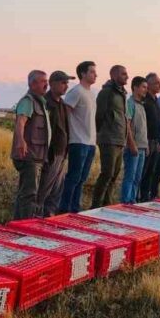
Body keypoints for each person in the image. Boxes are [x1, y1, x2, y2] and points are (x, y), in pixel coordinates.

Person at [59, 61, 98, 214]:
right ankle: (64, 208)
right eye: (92, 72)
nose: (95, 75)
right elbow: (65, 115)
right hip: (78, 141)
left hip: (90, 142)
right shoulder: (76, 92)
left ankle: (75, 209)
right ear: (83, 74)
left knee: (82, 178)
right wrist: (66, 137)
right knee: (73, 177)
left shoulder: (91, 93)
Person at [11, 70, 50, 219]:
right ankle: (23, 227)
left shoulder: (41, 102)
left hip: (37, 155)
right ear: (32, 84)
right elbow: (20, 122)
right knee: (29, 194)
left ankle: (19, 223)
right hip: (29, 155)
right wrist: (20, 141)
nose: (46, 84)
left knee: (27, 193)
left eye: (46, 81)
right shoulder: (28, 101)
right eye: (42, 81)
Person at [90, 64, 131, 209]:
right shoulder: (106, 92)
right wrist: (102, 133)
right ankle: (95, 206)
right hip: (108, 138)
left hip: (120, 139)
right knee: (107, 173)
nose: (127, 76)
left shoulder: (122, 93)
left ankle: (106, 204)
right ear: (114, 75)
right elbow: (99, 115)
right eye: (123, 74)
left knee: (114, 174)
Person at [36, 71, 72, 216]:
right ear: (52, 84)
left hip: (62, 153)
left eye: (67, 83)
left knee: (56, 191)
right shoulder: (46, 103)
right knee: (44, 189)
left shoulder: (62, 104)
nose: (66, 86)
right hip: (51, 153)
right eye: (63, 83)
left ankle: (49, 218)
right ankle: (35, 218)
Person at [119, 76, 149, 204]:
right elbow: (128, 125)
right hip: (133, 146)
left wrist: (146, 145)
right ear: (135, 87)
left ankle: (133, 200)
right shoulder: (130, 103)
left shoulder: (141, 105)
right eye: (143, 87)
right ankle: (125, 202)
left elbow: (143, 127)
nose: (145, 90)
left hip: (142, 146)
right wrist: (132, 144)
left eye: (146, 88)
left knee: (138, 177)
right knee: (130, 176)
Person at [137, 73, 160, 201]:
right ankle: (137, 197)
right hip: (146, 141)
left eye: (159, 83)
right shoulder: (145, 100)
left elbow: (158, 122)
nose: (159, 85)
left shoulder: (156, 100)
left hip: (155, 141)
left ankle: (145, 197)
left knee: (151, 171)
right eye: (156, 83)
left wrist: (159, 141)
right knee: (143, 171)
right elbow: (143, 123)